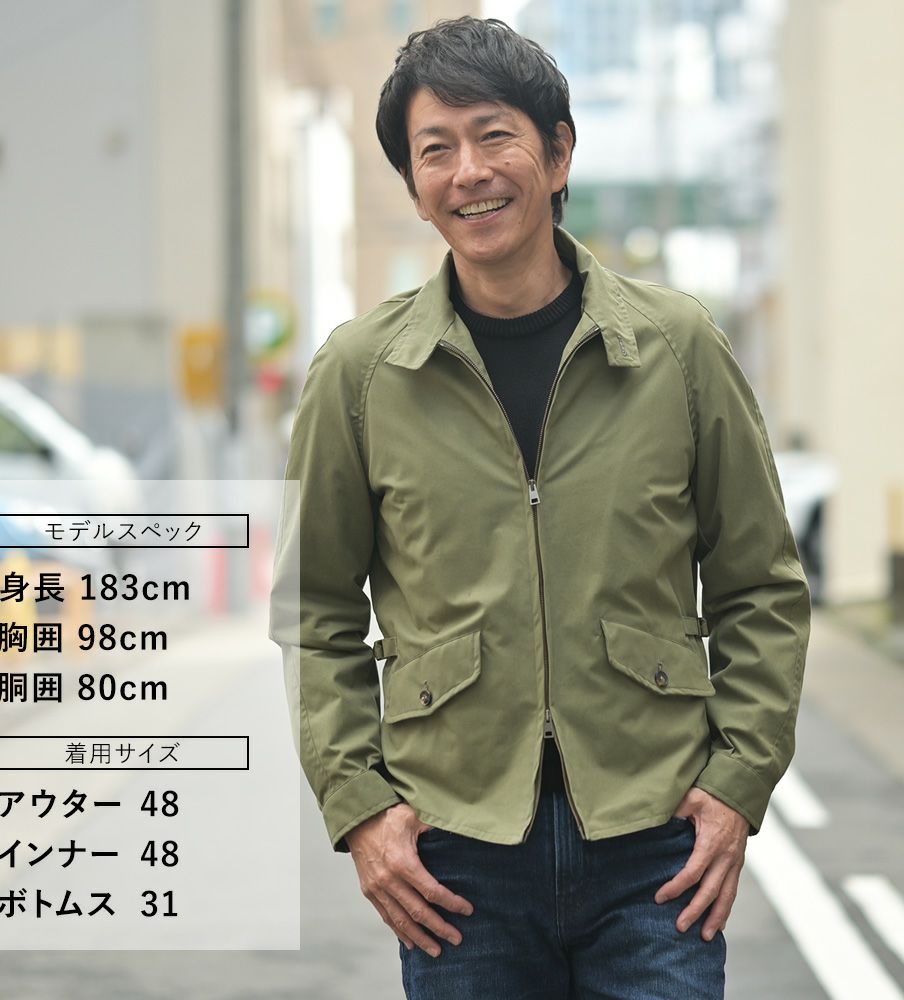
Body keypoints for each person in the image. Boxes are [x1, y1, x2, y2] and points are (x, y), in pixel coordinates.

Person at [270, 15, 810, 999]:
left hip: (655, 839)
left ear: (558, 153)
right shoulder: (361, 374)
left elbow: (761, 585)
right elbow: (314, 611)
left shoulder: (676, 348)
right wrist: (362, 809)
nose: (468, 171)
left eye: (494, 136)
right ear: (414, 187)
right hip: (456, 850)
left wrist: (737, 784)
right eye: (435, 150)